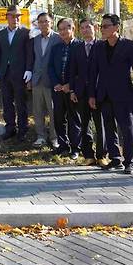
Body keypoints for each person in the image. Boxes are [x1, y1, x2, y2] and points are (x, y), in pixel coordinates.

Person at [88, 13, 133, 174]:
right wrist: (92, 95)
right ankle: (115, 158)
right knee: (109, 127)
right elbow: (93, 72)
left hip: (124, 94)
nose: (102, 29)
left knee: (127, 128)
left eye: (106, 26)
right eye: (101, 26)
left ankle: (129, 160)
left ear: (116, 27)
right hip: (104, 95)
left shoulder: (128, 45)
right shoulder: (98, 46)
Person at [69, 18, 110, 167]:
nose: (86, 29)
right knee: (84, 124)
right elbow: (72, 70)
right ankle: (88, 155)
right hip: (81, 92)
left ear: (95, 28)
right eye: (83, 27)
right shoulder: (77, 48)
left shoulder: (102, 46)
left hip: (98, 92)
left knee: (100, 124)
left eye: (88, 27)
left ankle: (102, 155)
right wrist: (72, 90)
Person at [0, 5, 33, 141]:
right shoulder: (1, 34)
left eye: (18, 16)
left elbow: (29, 54)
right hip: (5, 73)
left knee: (21, 102)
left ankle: (23, 129)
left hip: (20, 73)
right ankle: (10, 128)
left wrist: (28, 69)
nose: (16, 19)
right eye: (13, 16)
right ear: (7, 17)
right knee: (7, 102)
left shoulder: (26, 33)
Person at [48, 18, 81, 159]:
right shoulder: (56, 47)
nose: (62, 31)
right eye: (60, 29)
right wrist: (56, 83)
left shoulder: (79, 47)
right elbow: (50, 67)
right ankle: (63, 146)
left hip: (73, 90)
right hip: (57, 90)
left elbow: (82, 70)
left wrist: (70, 85)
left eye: (65, 28)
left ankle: (75, 148)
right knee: (58, 118)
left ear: (72, 28)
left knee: (74, 119)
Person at [30, 12, 61, 148]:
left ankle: (54, 138)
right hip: (37, 80)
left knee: (53, 110)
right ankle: (40, 136)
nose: (43, 24)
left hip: (52, 81)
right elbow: (33, 60)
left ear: (51, 22)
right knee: (37, 111)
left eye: (46, 21)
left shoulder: (58, 39)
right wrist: (30, 78)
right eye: (40, 22)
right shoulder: (35, 40)